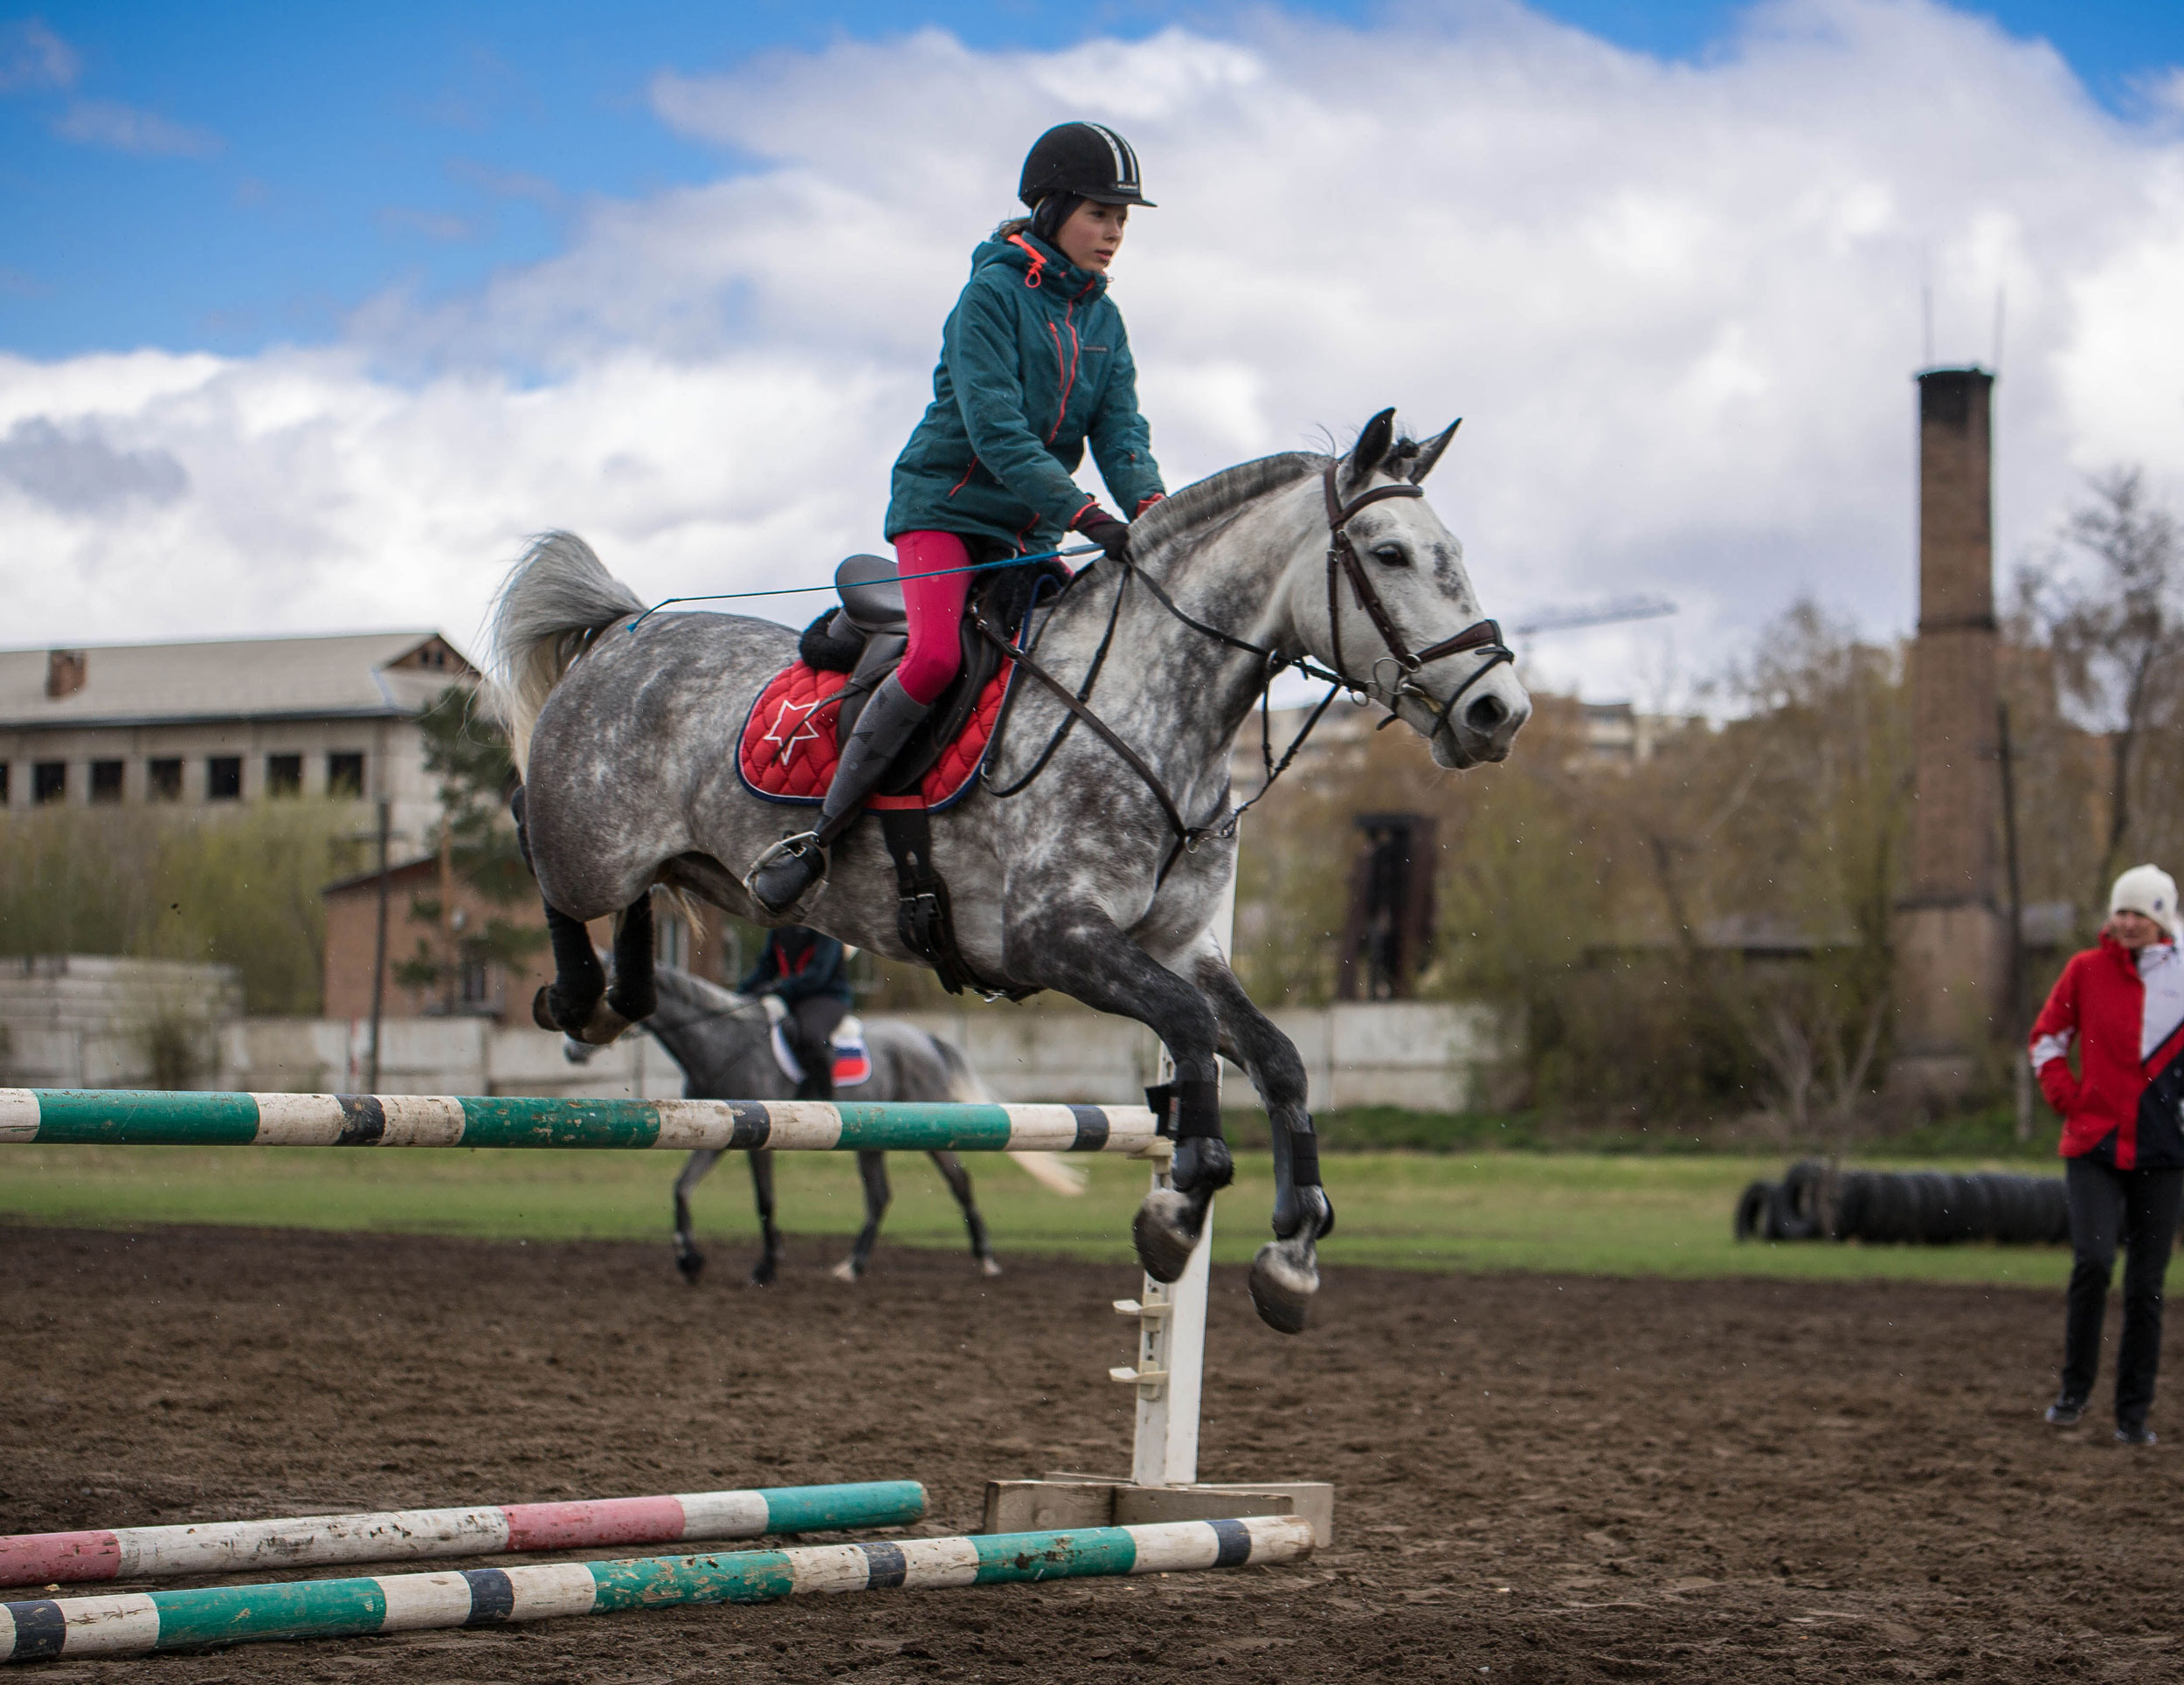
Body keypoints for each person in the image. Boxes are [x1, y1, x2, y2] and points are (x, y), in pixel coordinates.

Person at [750, 121, 1166, 910]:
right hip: (944, 511)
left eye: (1122, 219)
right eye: (1099, 213)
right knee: (938, 658)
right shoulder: (988, 297)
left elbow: (1121, 435)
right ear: (1050, 210)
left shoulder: (1105, 324)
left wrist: (1153, 514)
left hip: (1026, 534)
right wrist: (1085, 514)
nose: (1113, 233)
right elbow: (997, 432)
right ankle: (819, 838)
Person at [2028, 863, 2184, 1444]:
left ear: (2161, 919)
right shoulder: (2085, 971)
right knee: (2093, 1261)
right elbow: (2047, 1037)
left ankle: (2133, 1414)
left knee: (2146, 1286)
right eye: (2121, 911)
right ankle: (2073, 1391)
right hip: (2093, 1145)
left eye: (2140, 913)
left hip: (2165, 1153)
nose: (2127, 922)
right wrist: (2066, 1096)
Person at [740, 925, 854, 1102]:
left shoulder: (826, 928)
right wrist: (739, 996)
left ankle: (824, 1096)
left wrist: (779, 988)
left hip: (827, 996)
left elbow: (819, 974)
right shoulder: (780, 927)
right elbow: (765, 969)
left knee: (810, 1036)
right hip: (794, 997)